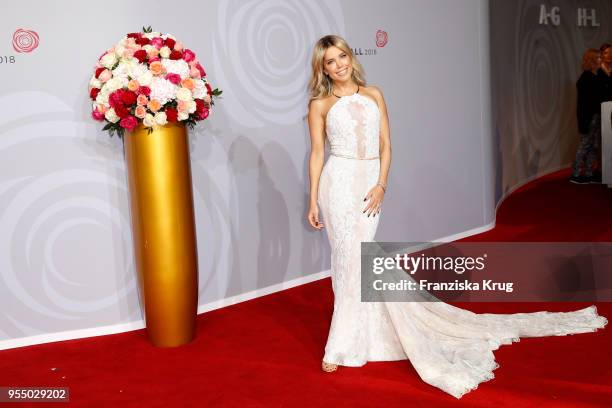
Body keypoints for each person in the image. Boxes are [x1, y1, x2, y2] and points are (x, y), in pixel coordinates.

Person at [306, 34, 608, 399]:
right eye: (329, 62)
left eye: (342, 57)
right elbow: (318, 155)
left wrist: (383, 183)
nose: (338, 65)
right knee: (348, 258)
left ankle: (359, 332)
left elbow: (387, 144)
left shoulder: (374, 94)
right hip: (337, 185)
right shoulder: (320, 104)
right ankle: (342, 342)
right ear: (322, 69)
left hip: (369, 182)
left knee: (362, 258)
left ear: (351, 57)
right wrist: (312, 201)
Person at [571, 49, 602, 184]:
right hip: (588, 117)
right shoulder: (586, 79)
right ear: (593, 60)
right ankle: (576, 174)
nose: (601, 60)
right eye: (599, 57)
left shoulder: (594, 77)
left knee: (593, 145)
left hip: (594, 116)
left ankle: (589, 172)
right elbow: (590, 102)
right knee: (585, 145)